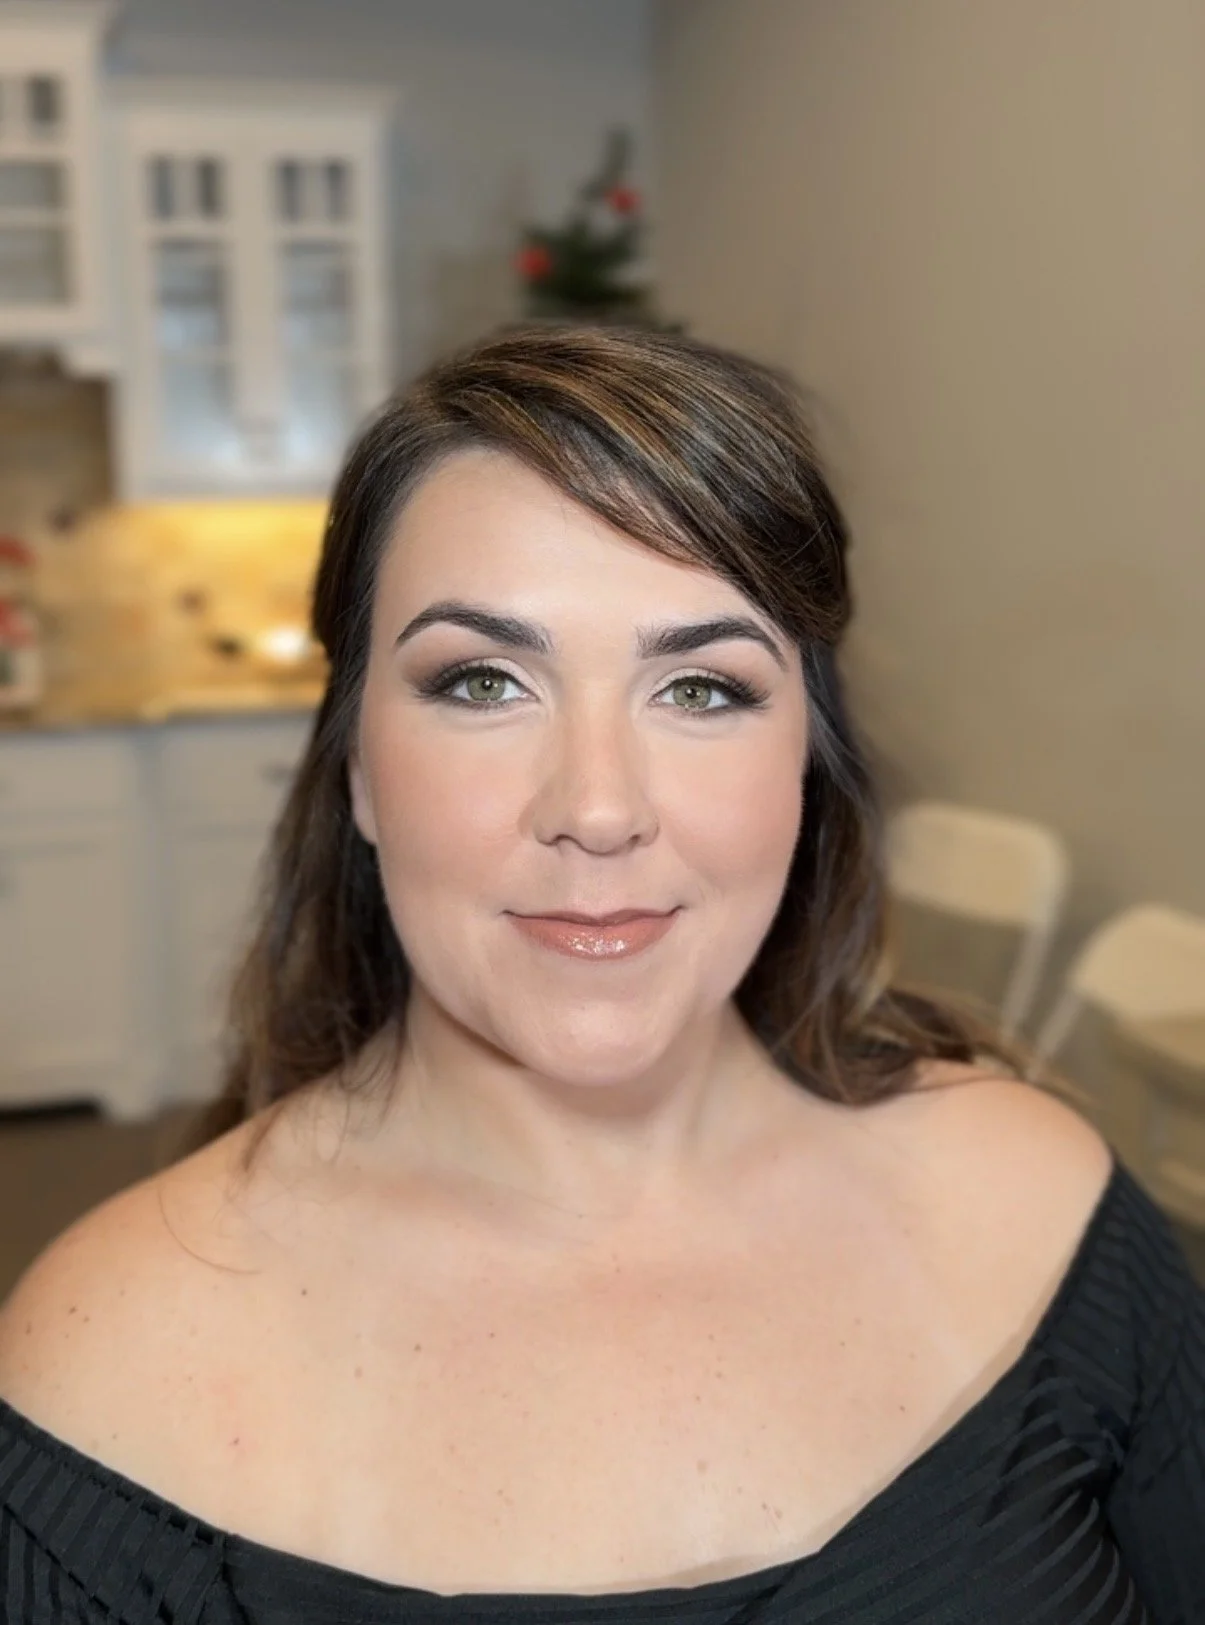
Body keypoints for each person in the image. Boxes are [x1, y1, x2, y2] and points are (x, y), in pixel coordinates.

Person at [0, 324, 1201, 1625]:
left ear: (807, 757)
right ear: (355, 766)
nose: (599, 806)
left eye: (700, 688)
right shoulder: (105, 1367)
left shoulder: (1040, 1209)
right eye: (482, 681)